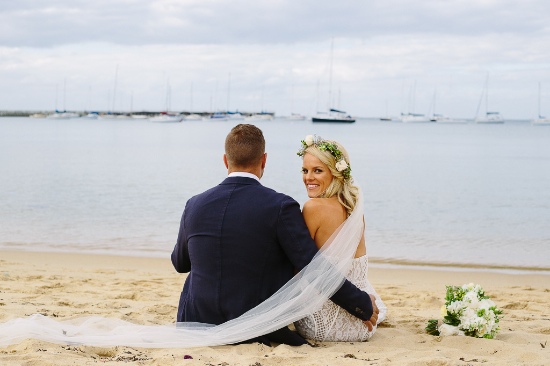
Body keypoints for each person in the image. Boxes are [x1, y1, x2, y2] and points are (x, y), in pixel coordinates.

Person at [171, 124, 378, 346]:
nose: (308, 176)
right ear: (264, 160)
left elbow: (180, 263)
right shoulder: (281, 206)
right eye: (306, 170)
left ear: (225, 160)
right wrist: (361, 304)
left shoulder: (194, 204)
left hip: (196, 321)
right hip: (253, 325)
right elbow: (313, 266)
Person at [294, 135, 387, 342]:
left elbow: (300, 267)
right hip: (364, 323)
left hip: (320, 327)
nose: (308, 177)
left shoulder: (312, 208)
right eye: (305, 170)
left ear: (335, 173)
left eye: (317, 170)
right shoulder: (354, 209)